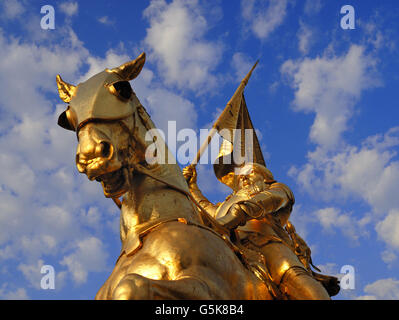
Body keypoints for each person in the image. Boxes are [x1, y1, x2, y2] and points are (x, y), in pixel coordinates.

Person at [183, 163, 331, 300]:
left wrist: (238, 213)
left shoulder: (276, 188)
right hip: (231, 249)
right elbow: (206, 210)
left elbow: (269, 200)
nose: (244, 177)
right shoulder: (224, 205)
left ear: (265, 177)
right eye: (240, 176)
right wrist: (192, 187)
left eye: (251, 172)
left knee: (290, 274)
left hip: (263, 242)